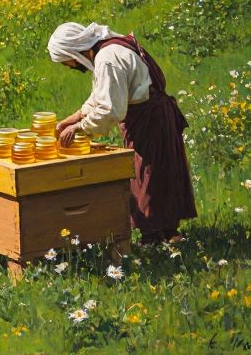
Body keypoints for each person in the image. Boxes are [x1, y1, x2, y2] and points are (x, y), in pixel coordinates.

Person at [47, 22, 197, 244]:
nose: (68, 66)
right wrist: (71, 119)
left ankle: (155, 238)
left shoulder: (108, 58)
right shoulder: (105, 52)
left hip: (149, 118)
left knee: (149, 173)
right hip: (149, 115)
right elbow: (100, 96)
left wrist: (79, 128)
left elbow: (111, 109)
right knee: (156, 172)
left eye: (65, 61)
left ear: (73, 52)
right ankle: (165, 233)